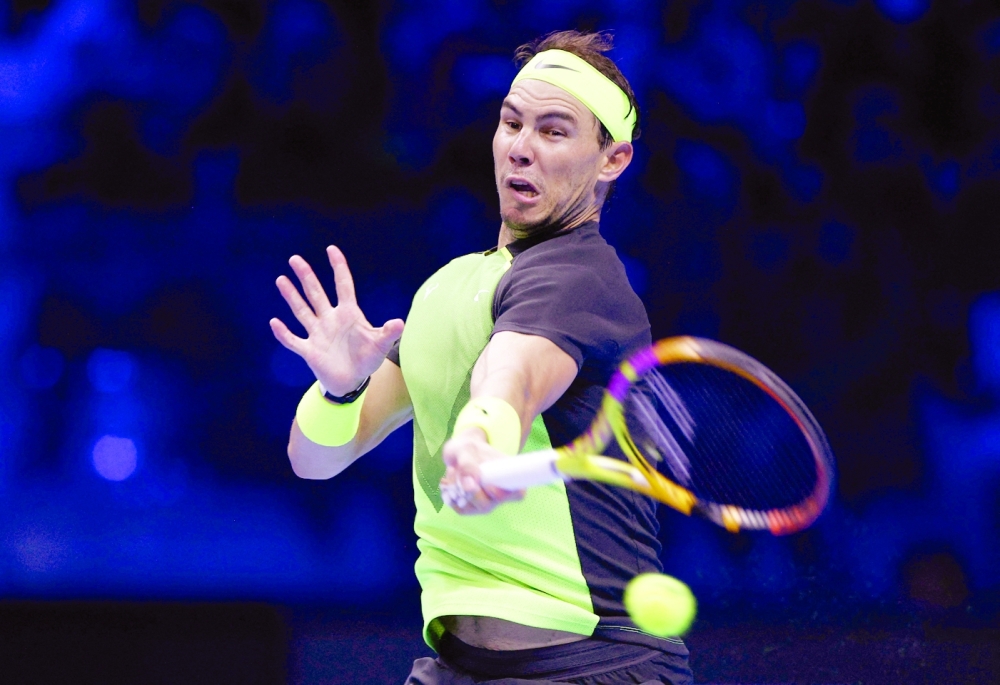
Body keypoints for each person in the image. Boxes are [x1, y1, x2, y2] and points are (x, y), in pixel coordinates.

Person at [270, 30, 694, 685]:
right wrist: (340, 391)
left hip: (594, 666)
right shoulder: (448, 287)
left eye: (554, 132)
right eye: (511, 122)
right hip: (456, 668)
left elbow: (515, 375)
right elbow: (315, 459)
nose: (521, 147)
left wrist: (481, 437)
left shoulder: (578, 278)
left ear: (612, 160)